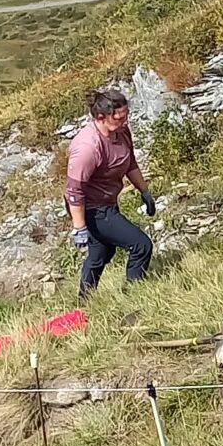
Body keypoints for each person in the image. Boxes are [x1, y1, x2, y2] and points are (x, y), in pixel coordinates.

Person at [66, 88, 156, 296]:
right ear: (100, 117)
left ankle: (85, 300)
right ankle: (136, 295)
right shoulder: (88, 147)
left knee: (102, 251)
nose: (125, 122)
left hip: (107, 201)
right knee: (141, 245)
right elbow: (74, 191)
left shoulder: (121, 132)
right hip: (91, 208)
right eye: (119, 118)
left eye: (126, 116)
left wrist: (144, 191)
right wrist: (80, 227)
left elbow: (130, 162)